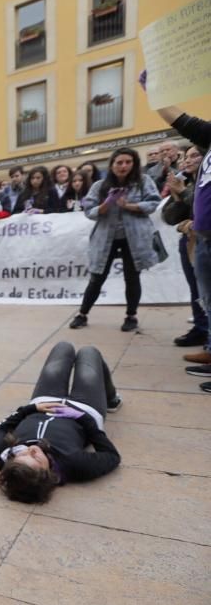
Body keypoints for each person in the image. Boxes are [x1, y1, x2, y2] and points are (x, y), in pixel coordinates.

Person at [140, 69, 211, 392]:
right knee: (208, 299)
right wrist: (153, 88)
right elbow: (181, 120)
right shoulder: (207, 140)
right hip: (203, 238)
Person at [0, 342, 122, 503]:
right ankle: (111, 398)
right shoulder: (74, 464)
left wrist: (30, 409)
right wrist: (81, 417)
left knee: (63, 348)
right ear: (48, 474)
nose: (32, 449)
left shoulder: (6, 453)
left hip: (45, 399)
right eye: (36, 458)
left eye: (22, 454)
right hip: (85, 407)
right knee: (89, 353)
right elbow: (112, 456)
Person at [68, 148, 161, 332]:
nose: (123, 166)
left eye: (128, 162)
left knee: (132, 278)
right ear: (112, 165)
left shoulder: (143, 182)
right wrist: (106, 204)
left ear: (134, 164)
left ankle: (131, 316)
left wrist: (129, 205)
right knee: (96, 277)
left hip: (134, 238)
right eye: (119, 162)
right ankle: (82, 314)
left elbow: (153, 203)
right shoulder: (99, 186)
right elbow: (89, 211)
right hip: (105, 239)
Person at [163, 146, 209, 352]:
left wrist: (184, 192)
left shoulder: (203, 185)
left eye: (195, 156)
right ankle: (201, 328)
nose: (188, 161)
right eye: (186, 157)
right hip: (189, 242)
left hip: (205, 241)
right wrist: (177, 196)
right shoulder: (186, 183)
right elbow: (169, 217)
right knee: (196, 289)